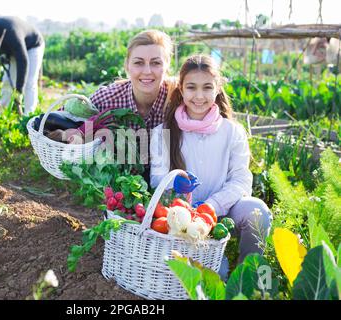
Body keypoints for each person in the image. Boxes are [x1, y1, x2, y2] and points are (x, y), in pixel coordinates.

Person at [150, 54, 272, 280]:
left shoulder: (232, 131)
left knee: (257, 212)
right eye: (191, 87)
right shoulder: (163, 132)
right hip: (183, 218)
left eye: (207, 87)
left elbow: (241, 181)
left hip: (224, 210)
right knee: (216, 275)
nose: (199, 96)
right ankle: (217, 265)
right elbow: (156, 179)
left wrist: (211, 206)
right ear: (181, 90)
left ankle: (248, 279)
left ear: (217, 89)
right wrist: (174, 187)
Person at [89, 29, 176, 131]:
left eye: (156, 63)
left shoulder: (178, 101)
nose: (147, 71)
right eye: (138, 63)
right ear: (127, 65)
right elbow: (69, 122)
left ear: (167, 65)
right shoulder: (105, 100)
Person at [0, 16, 45, 116]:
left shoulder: (11, 32)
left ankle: (29, 116)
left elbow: (23, 60)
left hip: (33, 46)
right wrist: (2, 55)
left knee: (29, 82)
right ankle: (2, 113)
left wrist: (19, 91)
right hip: (15, 51)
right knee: (7, 82)